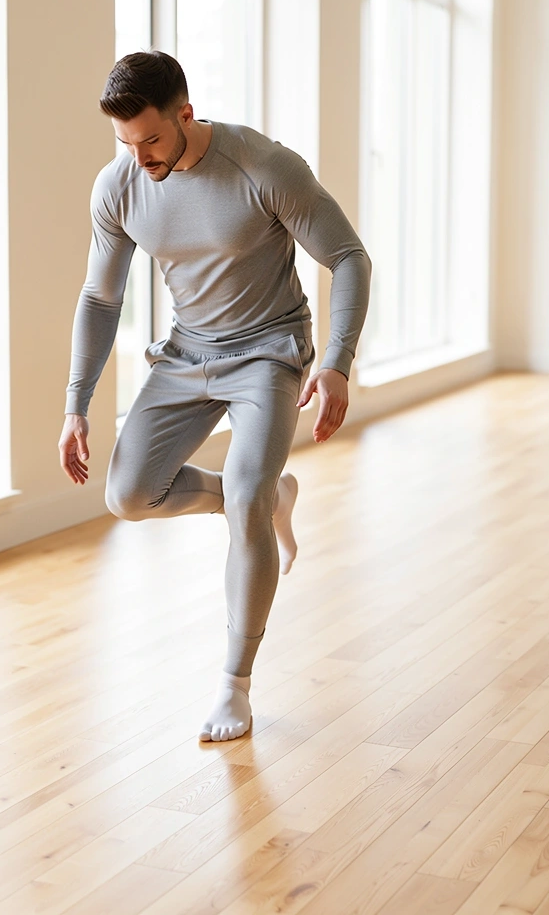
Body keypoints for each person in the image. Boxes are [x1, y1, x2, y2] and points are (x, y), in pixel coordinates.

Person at [59, 51, 371, 742]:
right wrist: (76, 404)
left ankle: (235, 684)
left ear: (186, 114)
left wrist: (338, 363)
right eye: (125, 143)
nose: (140, 157)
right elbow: (100, 298)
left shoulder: (263, 167)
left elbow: (348, 256)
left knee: (246, 501)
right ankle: (264, 494)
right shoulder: (119, 186)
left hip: (268, 353)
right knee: (128, 496)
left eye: (151, 140)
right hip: (186, 353)